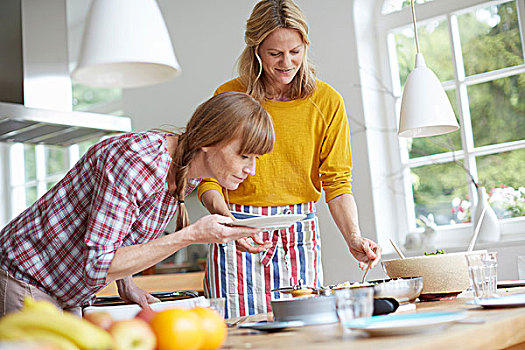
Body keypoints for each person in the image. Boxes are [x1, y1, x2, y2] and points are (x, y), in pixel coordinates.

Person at [0, 91, 275, 316]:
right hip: (24, 276)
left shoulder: (187, 173)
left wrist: (126, 284)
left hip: (65, 290)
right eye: (244, 156)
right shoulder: (138, 163)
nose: (250, 169)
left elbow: (120, 234)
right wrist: (192, 236)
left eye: (256, 159)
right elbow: (99, 263)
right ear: (210, 140)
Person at [198, 0, 382, 318]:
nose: (287, 62)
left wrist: (353, 236)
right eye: (275, 53)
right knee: (241, 335)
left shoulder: (327, 101)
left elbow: (337, 183)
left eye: (295, 51)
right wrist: (226, 222)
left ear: (305, 46)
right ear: (256, 49)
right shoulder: (230, 96)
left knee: (305, 330)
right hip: (237, 227)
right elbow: (208, 173)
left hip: (298, 235)